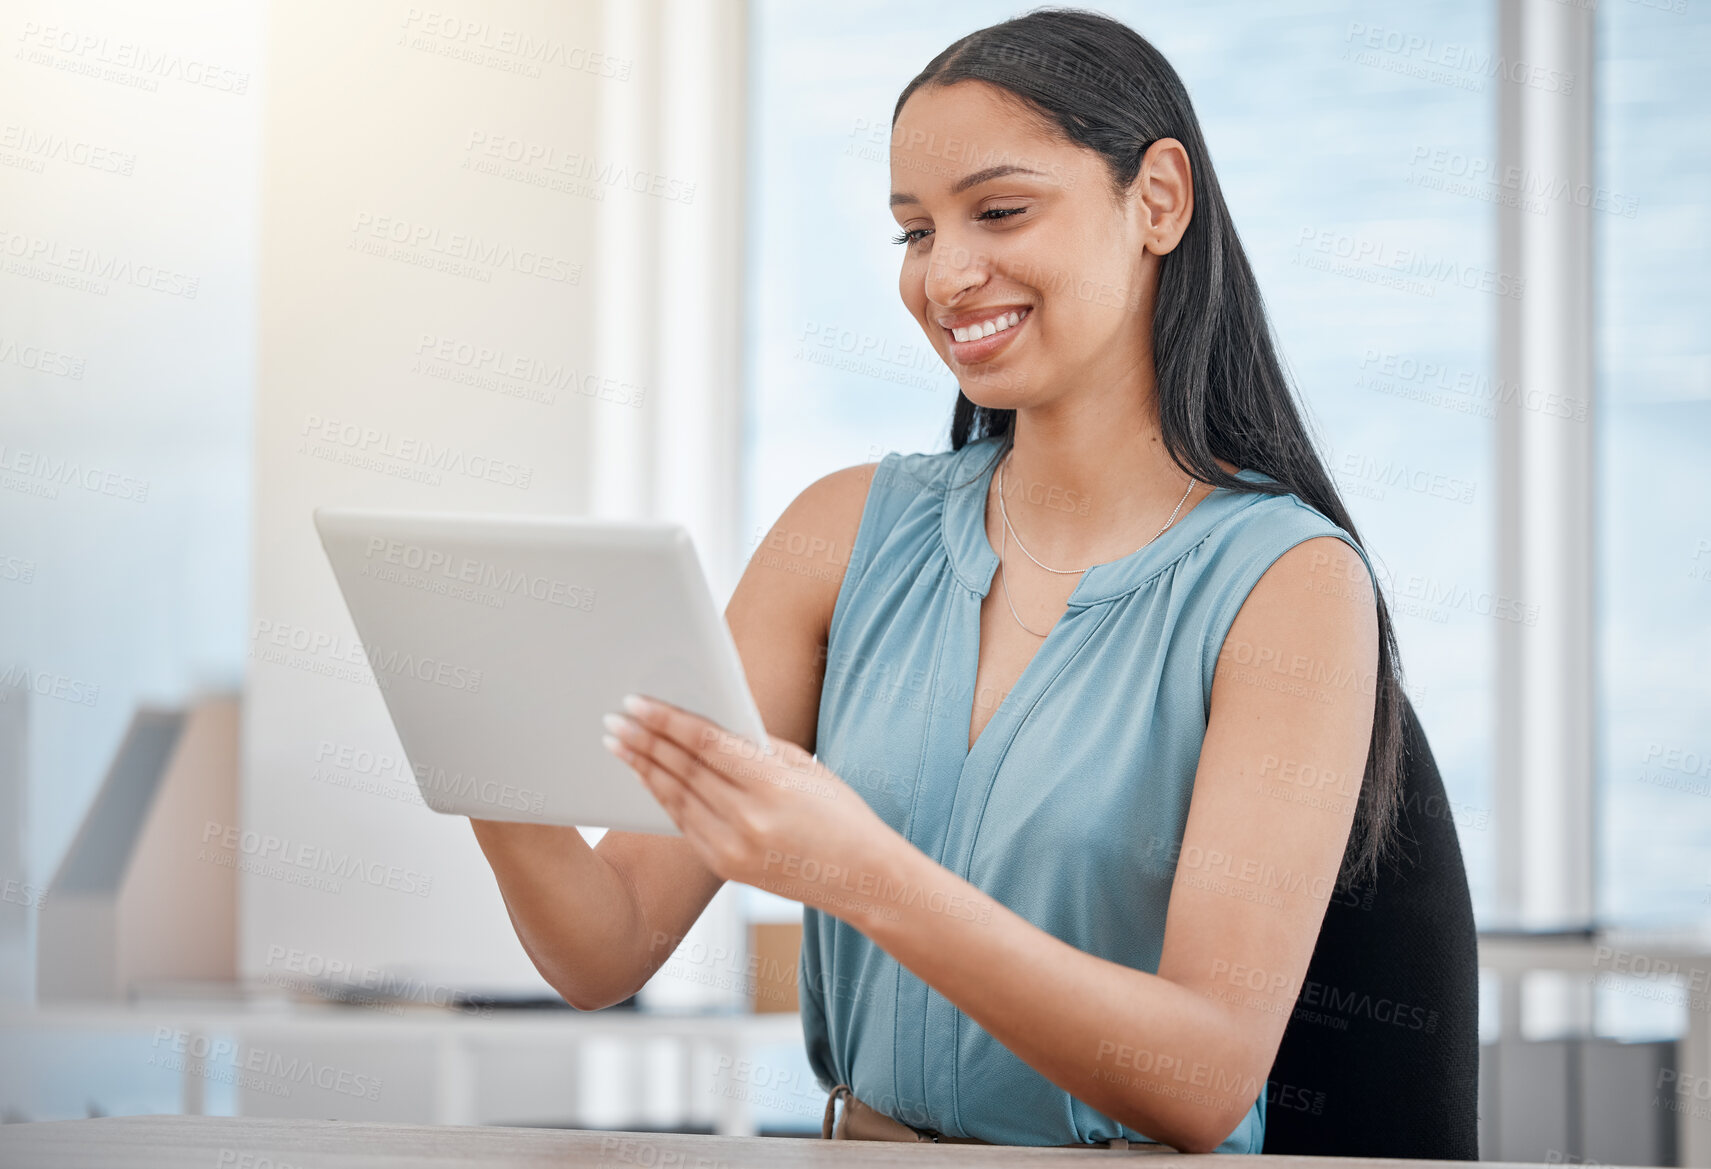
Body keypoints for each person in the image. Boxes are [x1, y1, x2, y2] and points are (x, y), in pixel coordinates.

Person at [473, 7, 1405, 1154]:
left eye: (1000, 211)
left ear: (1156, 199)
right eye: (915, 232)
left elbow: (1201, 1076)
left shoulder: (1289, 583)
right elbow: (604, 944)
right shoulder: (842, 529)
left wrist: (858, 871)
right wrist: (477, 738)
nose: (946, 274)